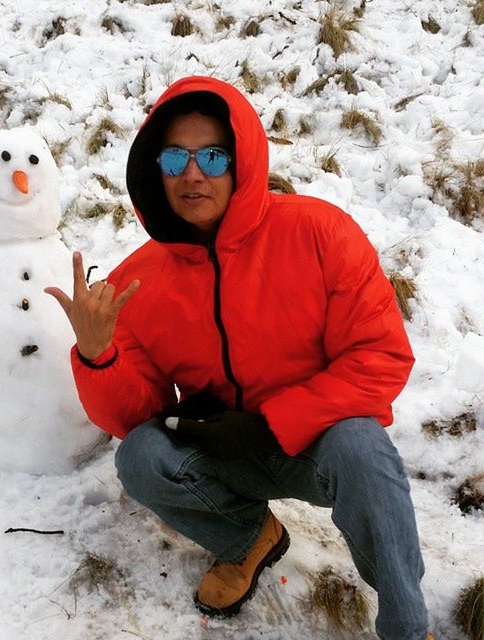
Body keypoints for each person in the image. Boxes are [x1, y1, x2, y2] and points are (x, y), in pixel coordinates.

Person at [45, 76, 432, 640]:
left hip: (317, 445)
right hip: (227, 449)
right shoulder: (138, 280)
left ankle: (406, 622)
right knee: (141, 457)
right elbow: (138, 414)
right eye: (175, 157)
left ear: (242, 160)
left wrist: (272, 426)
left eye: (213, 155)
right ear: (156, 169)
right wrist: (98, 355)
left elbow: (380, 356)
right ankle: (250, 539)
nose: (193, 173)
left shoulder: (320, 233)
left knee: (363, 447)